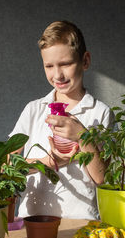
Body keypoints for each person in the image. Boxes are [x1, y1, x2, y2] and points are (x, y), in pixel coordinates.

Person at [9, 20, 113, 220]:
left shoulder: (100, 113)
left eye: (65, 64)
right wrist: (50, 161)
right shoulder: (34, 110)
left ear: (85, 61)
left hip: (80, 223)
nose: (57, 74)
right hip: (32, 222)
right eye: (49, 66)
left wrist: (82, 135)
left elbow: (102, 178)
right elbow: (7, 166)